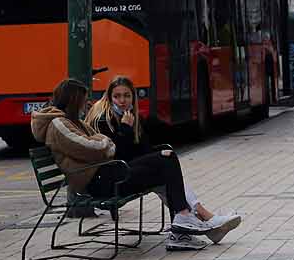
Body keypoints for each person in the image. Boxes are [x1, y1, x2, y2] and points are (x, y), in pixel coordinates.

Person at [29, 79, 227, 253]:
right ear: (73, 100)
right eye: (82, 100)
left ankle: (183, 223)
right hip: (99, 183)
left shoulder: (73, 121)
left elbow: (109, 145)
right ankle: (184, 225)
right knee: (165, 160)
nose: (85, 104)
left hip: (107, 173)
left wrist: (114, 138)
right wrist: (111, 138)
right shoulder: (59, 124)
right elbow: (94, 146)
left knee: (167, 157)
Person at [86, 75, 241, 249]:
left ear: (133, 97)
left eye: (127, 96)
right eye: (117, 96)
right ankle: (195, 220)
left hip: (125, 173)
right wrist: (126, 128)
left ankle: (189, 226)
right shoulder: (103, 120)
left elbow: (142, 151)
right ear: (109, 97)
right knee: (167, 160)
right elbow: (117, 154)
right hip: (111, 180)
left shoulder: (129, 117)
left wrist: (136, 130)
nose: (122, 100)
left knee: (166, 162)